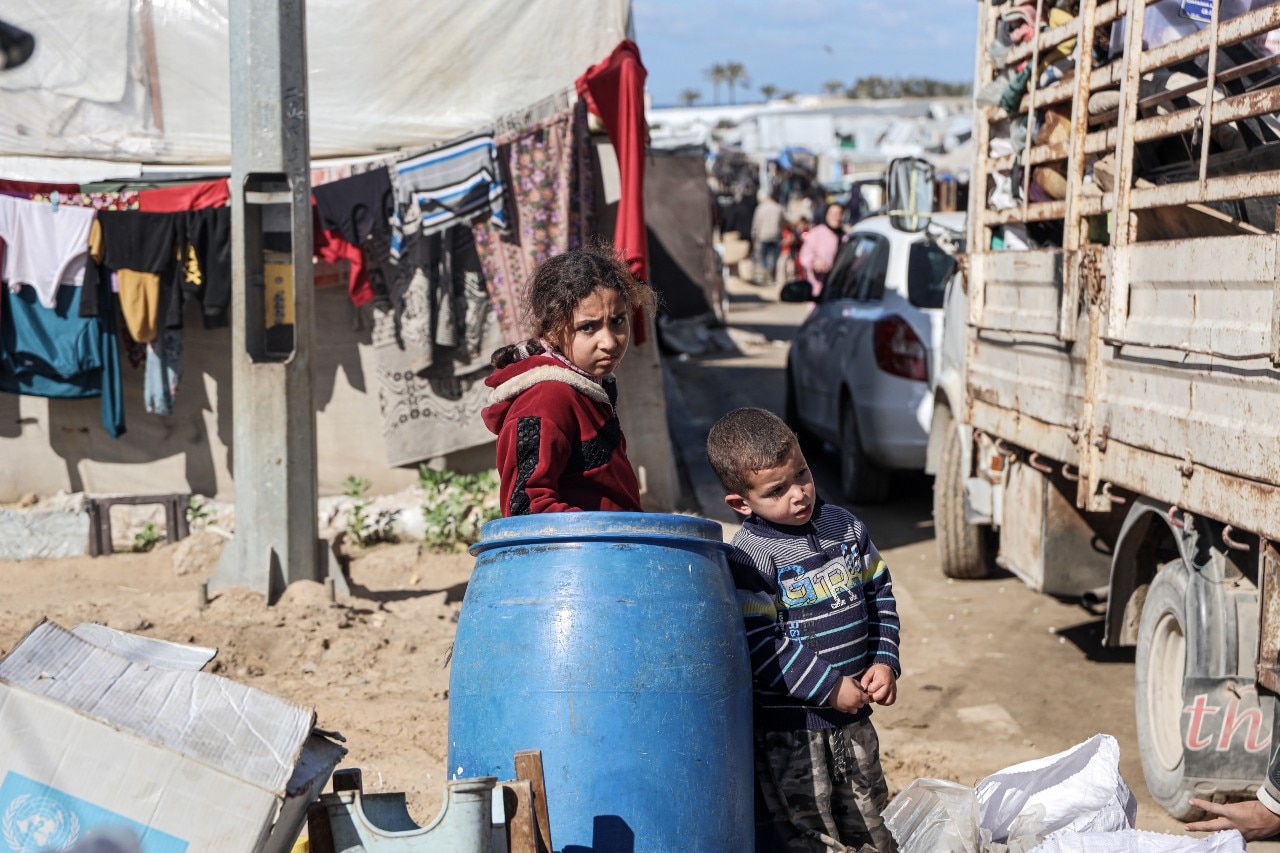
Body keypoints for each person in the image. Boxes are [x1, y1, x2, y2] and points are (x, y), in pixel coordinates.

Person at [706, 407, 901, 852]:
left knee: (871, 818)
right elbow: (761, 644)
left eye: (802, 474)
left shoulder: (846, 528)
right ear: (740, 503)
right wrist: (829, 688)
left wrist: (885, 660)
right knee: (810, 832)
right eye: (777, 490)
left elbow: (880, 595)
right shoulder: (750, 556)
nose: (799, 494)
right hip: (792, 732)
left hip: (853, 718)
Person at [482, 244, 657, 516]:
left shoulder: (590, 387)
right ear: (552, 331)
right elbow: (526, 510)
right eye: (588, 327)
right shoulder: (545, 401)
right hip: (580, 555)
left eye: (618, 320)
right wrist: (603, 535)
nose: (609, 341)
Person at [798, 202, 845, 298]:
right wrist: (814, 260)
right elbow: (804, 255)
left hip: (840, 292)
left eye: (839, 213)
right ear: (826, 215)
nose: (836, 217)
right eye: (832, 213)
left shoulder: (846, 237)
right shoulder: (817, 233)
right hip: (819, 291)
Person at [751, 192, 785, 285]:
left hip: (763, 235)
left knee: (763, 256)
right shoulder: (779, 208)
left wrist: (754, 233)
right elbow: (783, 221)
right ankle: (771, 273)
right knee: (774, 256)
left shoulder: (761, 208)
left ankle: (766, 271)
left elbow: (756, 222)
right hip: (775, 234)